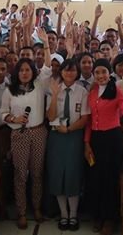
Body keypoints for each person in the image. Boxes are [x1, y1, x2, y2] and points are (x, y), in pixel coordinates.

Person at [0, 28, 51, 229]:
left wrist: (45, 44)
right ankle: (21, 211)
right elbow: (3, 113)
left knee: (37, 173)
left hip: (39, 132)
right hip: (19, 134)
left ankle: (36, 208)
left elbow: (48, 67)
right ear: (16, 73)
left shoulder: (39, 85)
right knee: (20, 174)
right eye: (21, 70)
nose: (24, 73)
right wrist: (14, 118)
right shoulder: (9, 91)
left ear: (32, 71)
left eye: (28, 69)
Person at [84, 58, 123, 235]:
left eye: (103, 72)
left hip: (112, 139)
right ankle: (98, 214)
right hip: (96, 139)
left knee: (110, 179)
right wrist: (86, 143)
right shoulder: (92, 92)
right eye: (97, 72)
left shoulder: (117, 91)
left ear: (109, 73)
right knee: (95, 177)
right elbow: (89, 121)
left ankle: (110, 218)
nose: (100, 76)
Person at [46, 59, 89, 231]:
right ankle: (64, 215)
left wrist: (69, 129)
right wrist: (55, 96)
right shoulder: (53, 89)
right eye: (66, 70)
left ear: (77, 73)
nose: (69, 73)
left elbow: (85, 118)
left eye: (72, 70)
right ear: (61, 72)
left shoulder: (82, 91)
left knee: (73, 174)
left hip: (74, 136)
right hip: (56, 137)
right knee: (57, 174)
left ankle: (73, 215)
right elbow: (50, 117)